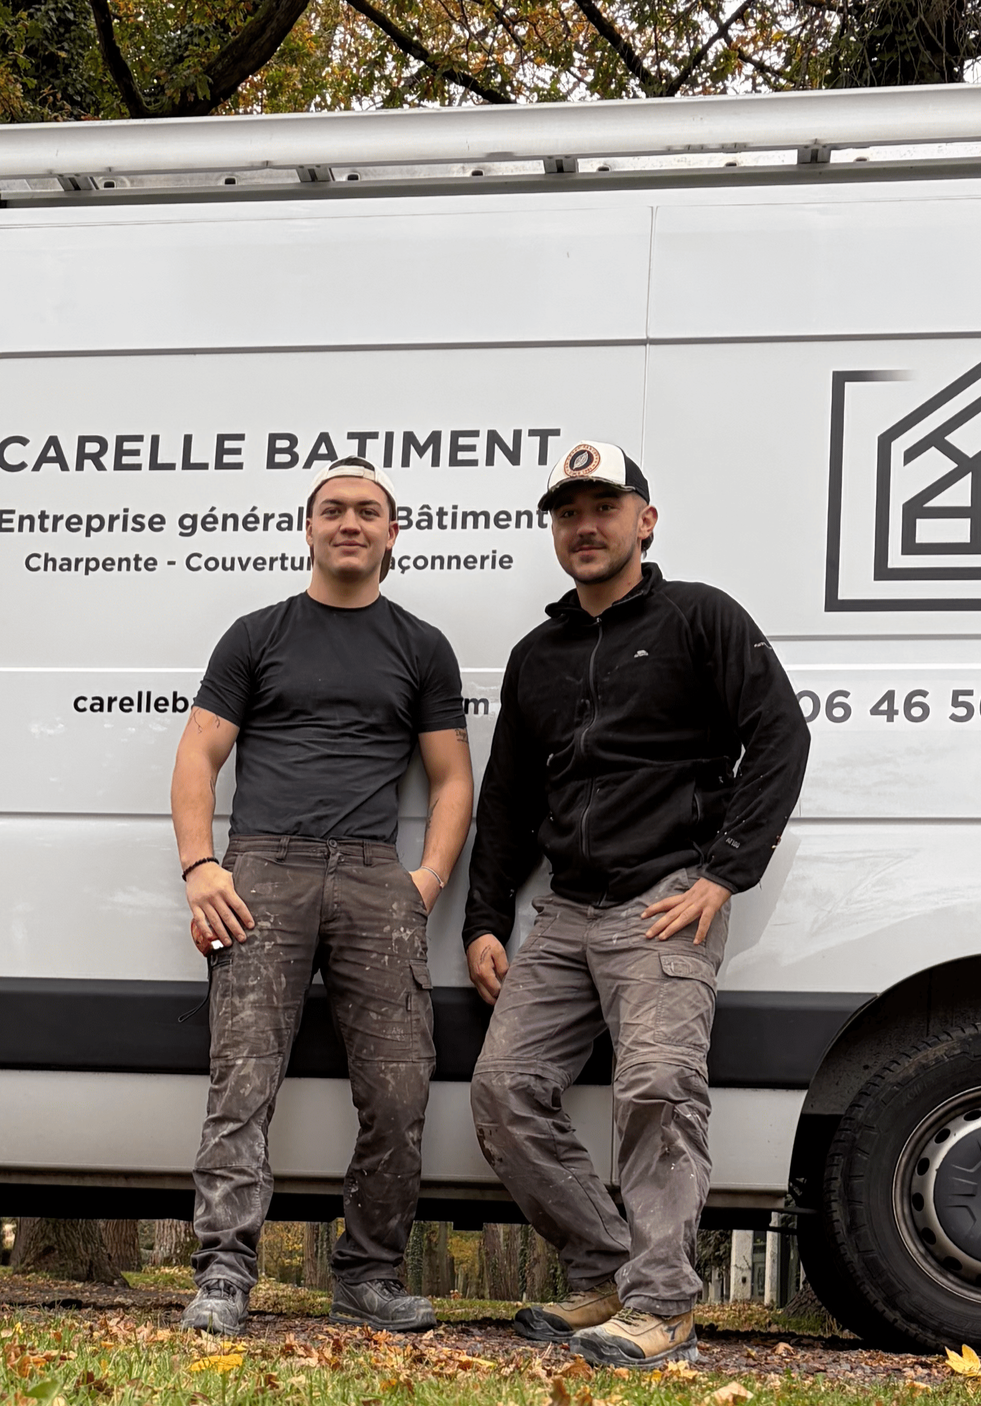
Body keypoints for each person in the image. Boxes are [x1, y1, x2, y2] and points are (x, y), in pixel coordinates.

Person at [464, 440, 811, 1368]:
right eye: (568, 512)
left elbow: (778, 736)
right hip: (566, 910)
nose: (585, 525)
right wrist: (484, 919)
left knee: (658, 1092)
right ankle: (609, 1272)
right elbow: (505, 800)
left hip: (665, 901)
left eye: (604, 507)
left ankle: (664, 1309)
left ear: (644, 521)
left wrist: (722, 874)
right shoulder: (537, 654)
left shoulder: (702, 618)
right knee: (503, 1092)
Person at [171, 457, 475, 1335]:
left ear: (391, 533)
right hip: (262, 870)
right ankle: (224, 1277)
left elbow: (452, 780)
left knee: (399, 1088)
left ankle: (367, 1275)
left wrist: (423, 882)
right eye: (334, 509)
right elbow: (199, 755)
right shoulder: (258, 634)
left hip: (377, 874)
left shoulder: (420, 645)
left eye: (368, 511)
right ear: (308, 529)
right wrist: (202, 868)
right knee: (243, 1081)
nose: (351, 522)